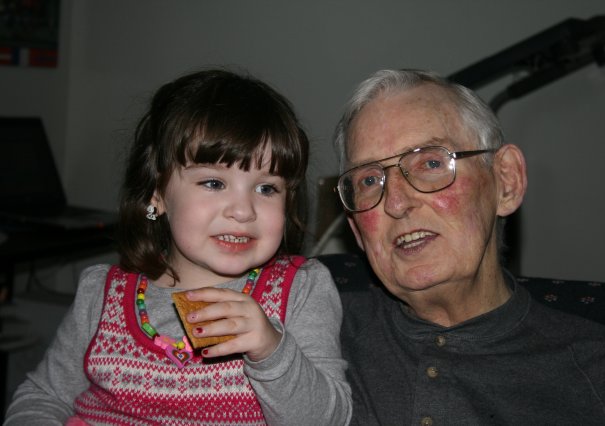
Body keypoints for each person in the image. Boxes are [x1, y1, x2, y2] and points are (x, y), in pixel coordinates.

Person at [5, 69, 351, 425]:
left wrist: (271, 350)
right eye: (214, 183)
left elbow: (328, 420)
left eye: (267, 188)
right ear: (157, 193)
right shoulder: (100, 294)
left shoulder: (302, 290)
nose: (243, 211)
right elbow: (42, 397)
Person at [333, 69, 605, 425]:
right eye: (370, 180)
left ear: (506, 181)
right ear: (357, 229)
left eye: (431, 163)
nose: (396, 203)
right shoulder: (310, 339)